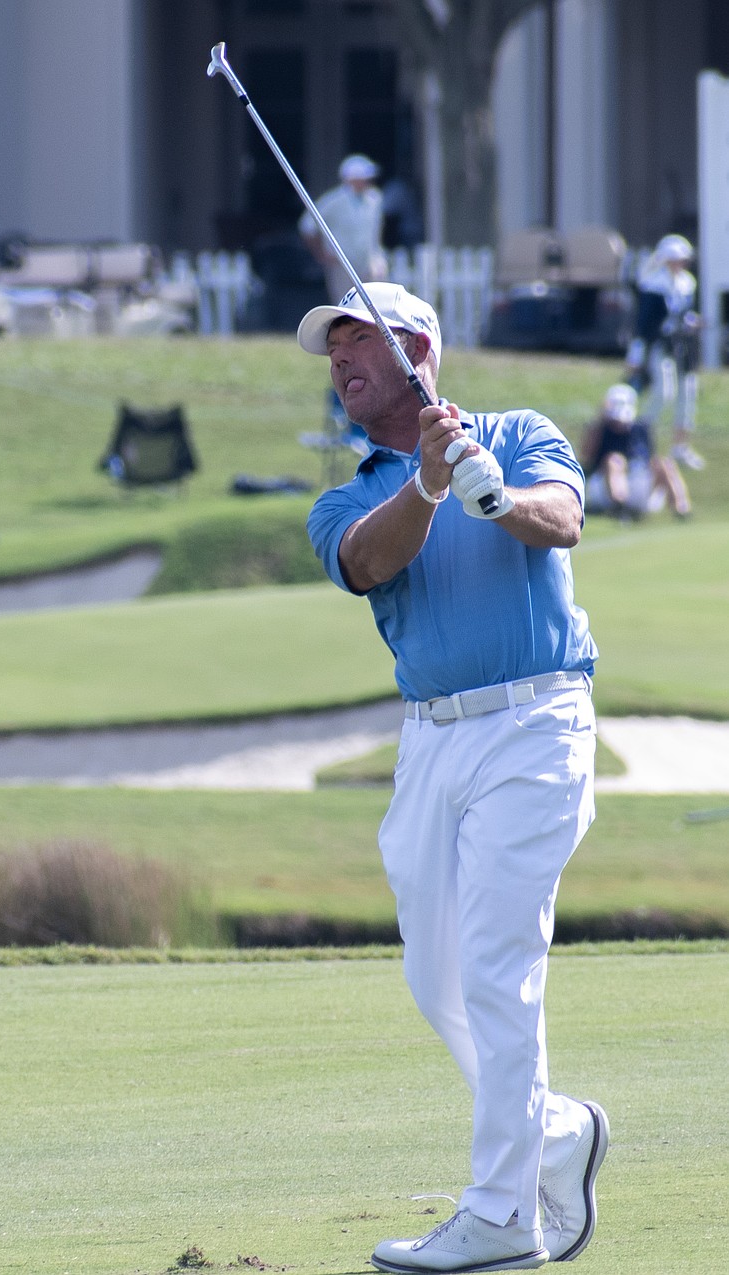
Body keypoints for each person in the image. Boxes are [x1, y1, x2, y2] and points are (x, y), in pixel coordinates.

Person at [298, 282, 609, 1274]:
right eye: (331, 350)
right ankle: (556, 1134)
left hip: (534, 723)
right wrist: (430, 487)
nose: (340, 363)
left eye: (357, 343)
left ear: (416, 348)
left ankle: (501, 1217)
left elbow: (559, 522)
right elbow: (366, 561)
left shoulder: (517, 431)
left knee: (492, 964)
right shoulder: (346, 494)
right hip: (430, 743)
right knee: (437, 978)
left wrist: (493, 493)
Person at [625, 233, 704, 470]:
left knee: (687, 394)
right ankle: (638, 436)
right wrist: (636, 355)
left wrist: (692, 322)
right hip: (662, 344)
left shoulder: (687, 282)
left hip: (683, 344)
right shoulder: (654, 284)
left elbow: (684, 312)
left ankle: (681, 447)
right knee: (664, 392)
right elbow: (645, 323)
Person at [582, 383, 691, 520]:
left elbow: (651, 459)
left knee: (664, 463)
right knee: (615, 460)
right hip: (605, 488)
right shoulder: (600, 430)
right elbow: (586, 458)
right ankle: (620, 508)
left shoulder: (641, 428)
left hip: (640, 484)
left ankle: (681, 510)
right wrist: (599, 422)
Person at [298, 154, 388, 303]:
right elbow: (307, 225)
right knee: (346, 303)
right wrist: (322, 253)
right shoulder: (334, 200)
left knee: (376, 301)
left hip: (370, 261)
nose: (367, 182)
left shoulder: (374, 198)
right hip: (342, 262)